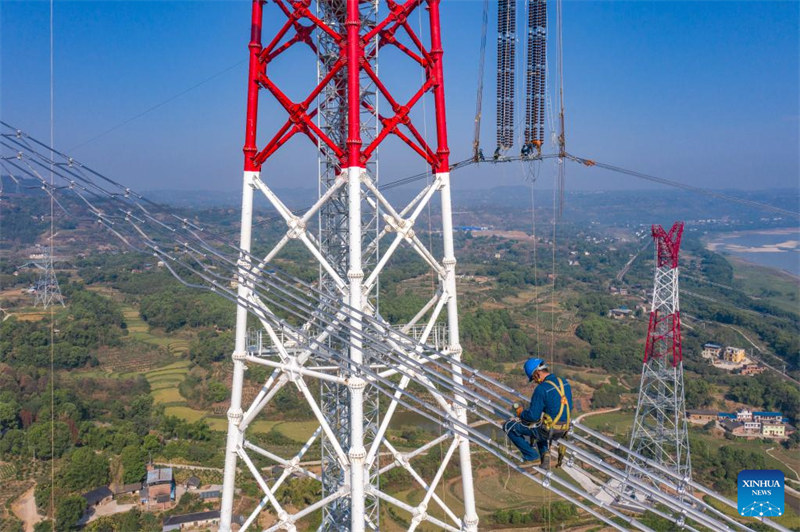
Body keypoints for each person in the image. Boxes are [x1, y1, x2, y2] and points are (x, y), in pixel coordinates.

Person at [503, 357, 573, 469]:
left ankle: (531, 455)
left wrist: (521, 413)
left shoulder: (541, 389)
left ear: (537, 373)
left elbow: (532, 416)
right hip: (564, 429)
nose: (535, 381)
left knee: (509, 426)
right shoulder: (564, 382)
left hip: (549, 431)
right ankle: (545, 456)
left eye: (533, 378)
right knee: (540, 427)